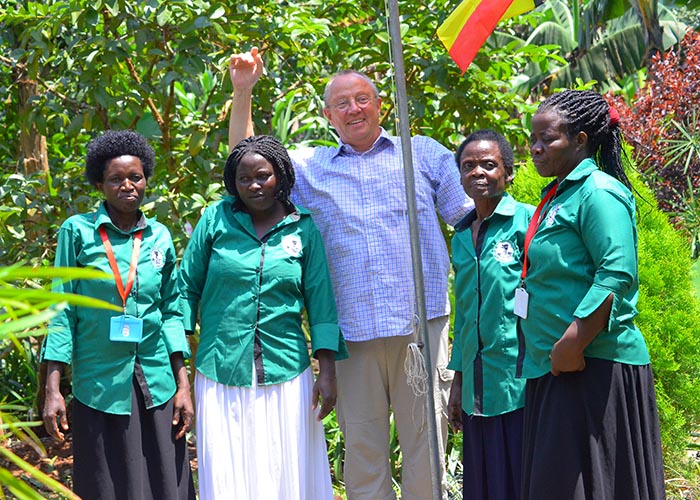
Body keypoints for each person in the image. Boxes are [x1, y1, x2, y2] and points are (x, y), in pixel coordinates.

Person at [227, 48, 472, 500]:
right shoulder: (309, 167)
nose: (354, 109)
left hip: (422, 328)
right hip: (352, 338)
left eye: (363, 98)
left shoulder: (422, 154)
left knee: (428, 451)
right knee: (363, 455)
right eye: (342, 103)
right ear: (327, 115)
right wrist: (243, 91)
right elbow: (249, 162)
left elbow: (474, 218)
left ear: (380, 104)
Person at [178, 135, 347, 500]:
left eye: (263, 176)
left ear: (280, 176)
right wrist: (180, 368)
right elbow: (185, 290)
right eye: (244, 178)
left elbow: (321, 302)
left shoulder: (303, 229)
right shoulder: (215, 221)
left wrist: (328, 370)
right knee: (227, 471)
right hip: (221, 369)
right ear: (232, 182)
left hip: (287, 372)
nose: (254, 185)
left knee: (286, 468)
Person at [518, 89, 665, 499]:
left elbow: (616, 273)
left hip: (592, 365)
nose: (535, 148)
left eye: (547, 139)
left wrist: (575, 340)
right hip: (556, 366)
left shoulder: (597, 192)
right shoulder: (558, 194)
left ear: (581, 140)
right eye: (533, 138)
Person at [41, 130, 195, 500]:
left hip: (156, 381)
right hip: (100, 383)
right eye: (116, 179)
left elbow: (172, 311)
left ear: (146, 180)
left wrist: (183, 384)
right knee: (108, 484)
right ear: (99, 183)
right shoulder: (77, 233)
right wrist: (53, 388)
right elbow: (62, 311)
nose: (128, 186)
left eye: (135, 177)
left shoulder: (160, 237)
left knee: (166, 484)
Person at [446, 130, 534, 500]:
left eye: (488, 164)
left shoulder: (527, 222)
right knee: (485, 481)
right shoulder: (462, 235)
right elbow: (465, 313)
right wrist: (458, 379)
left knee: (522, 476)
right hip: (476, 385)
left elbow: (541, 297)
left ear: (508, 173)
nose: (477, 172)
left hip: (519, 379)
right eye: (468, 166)